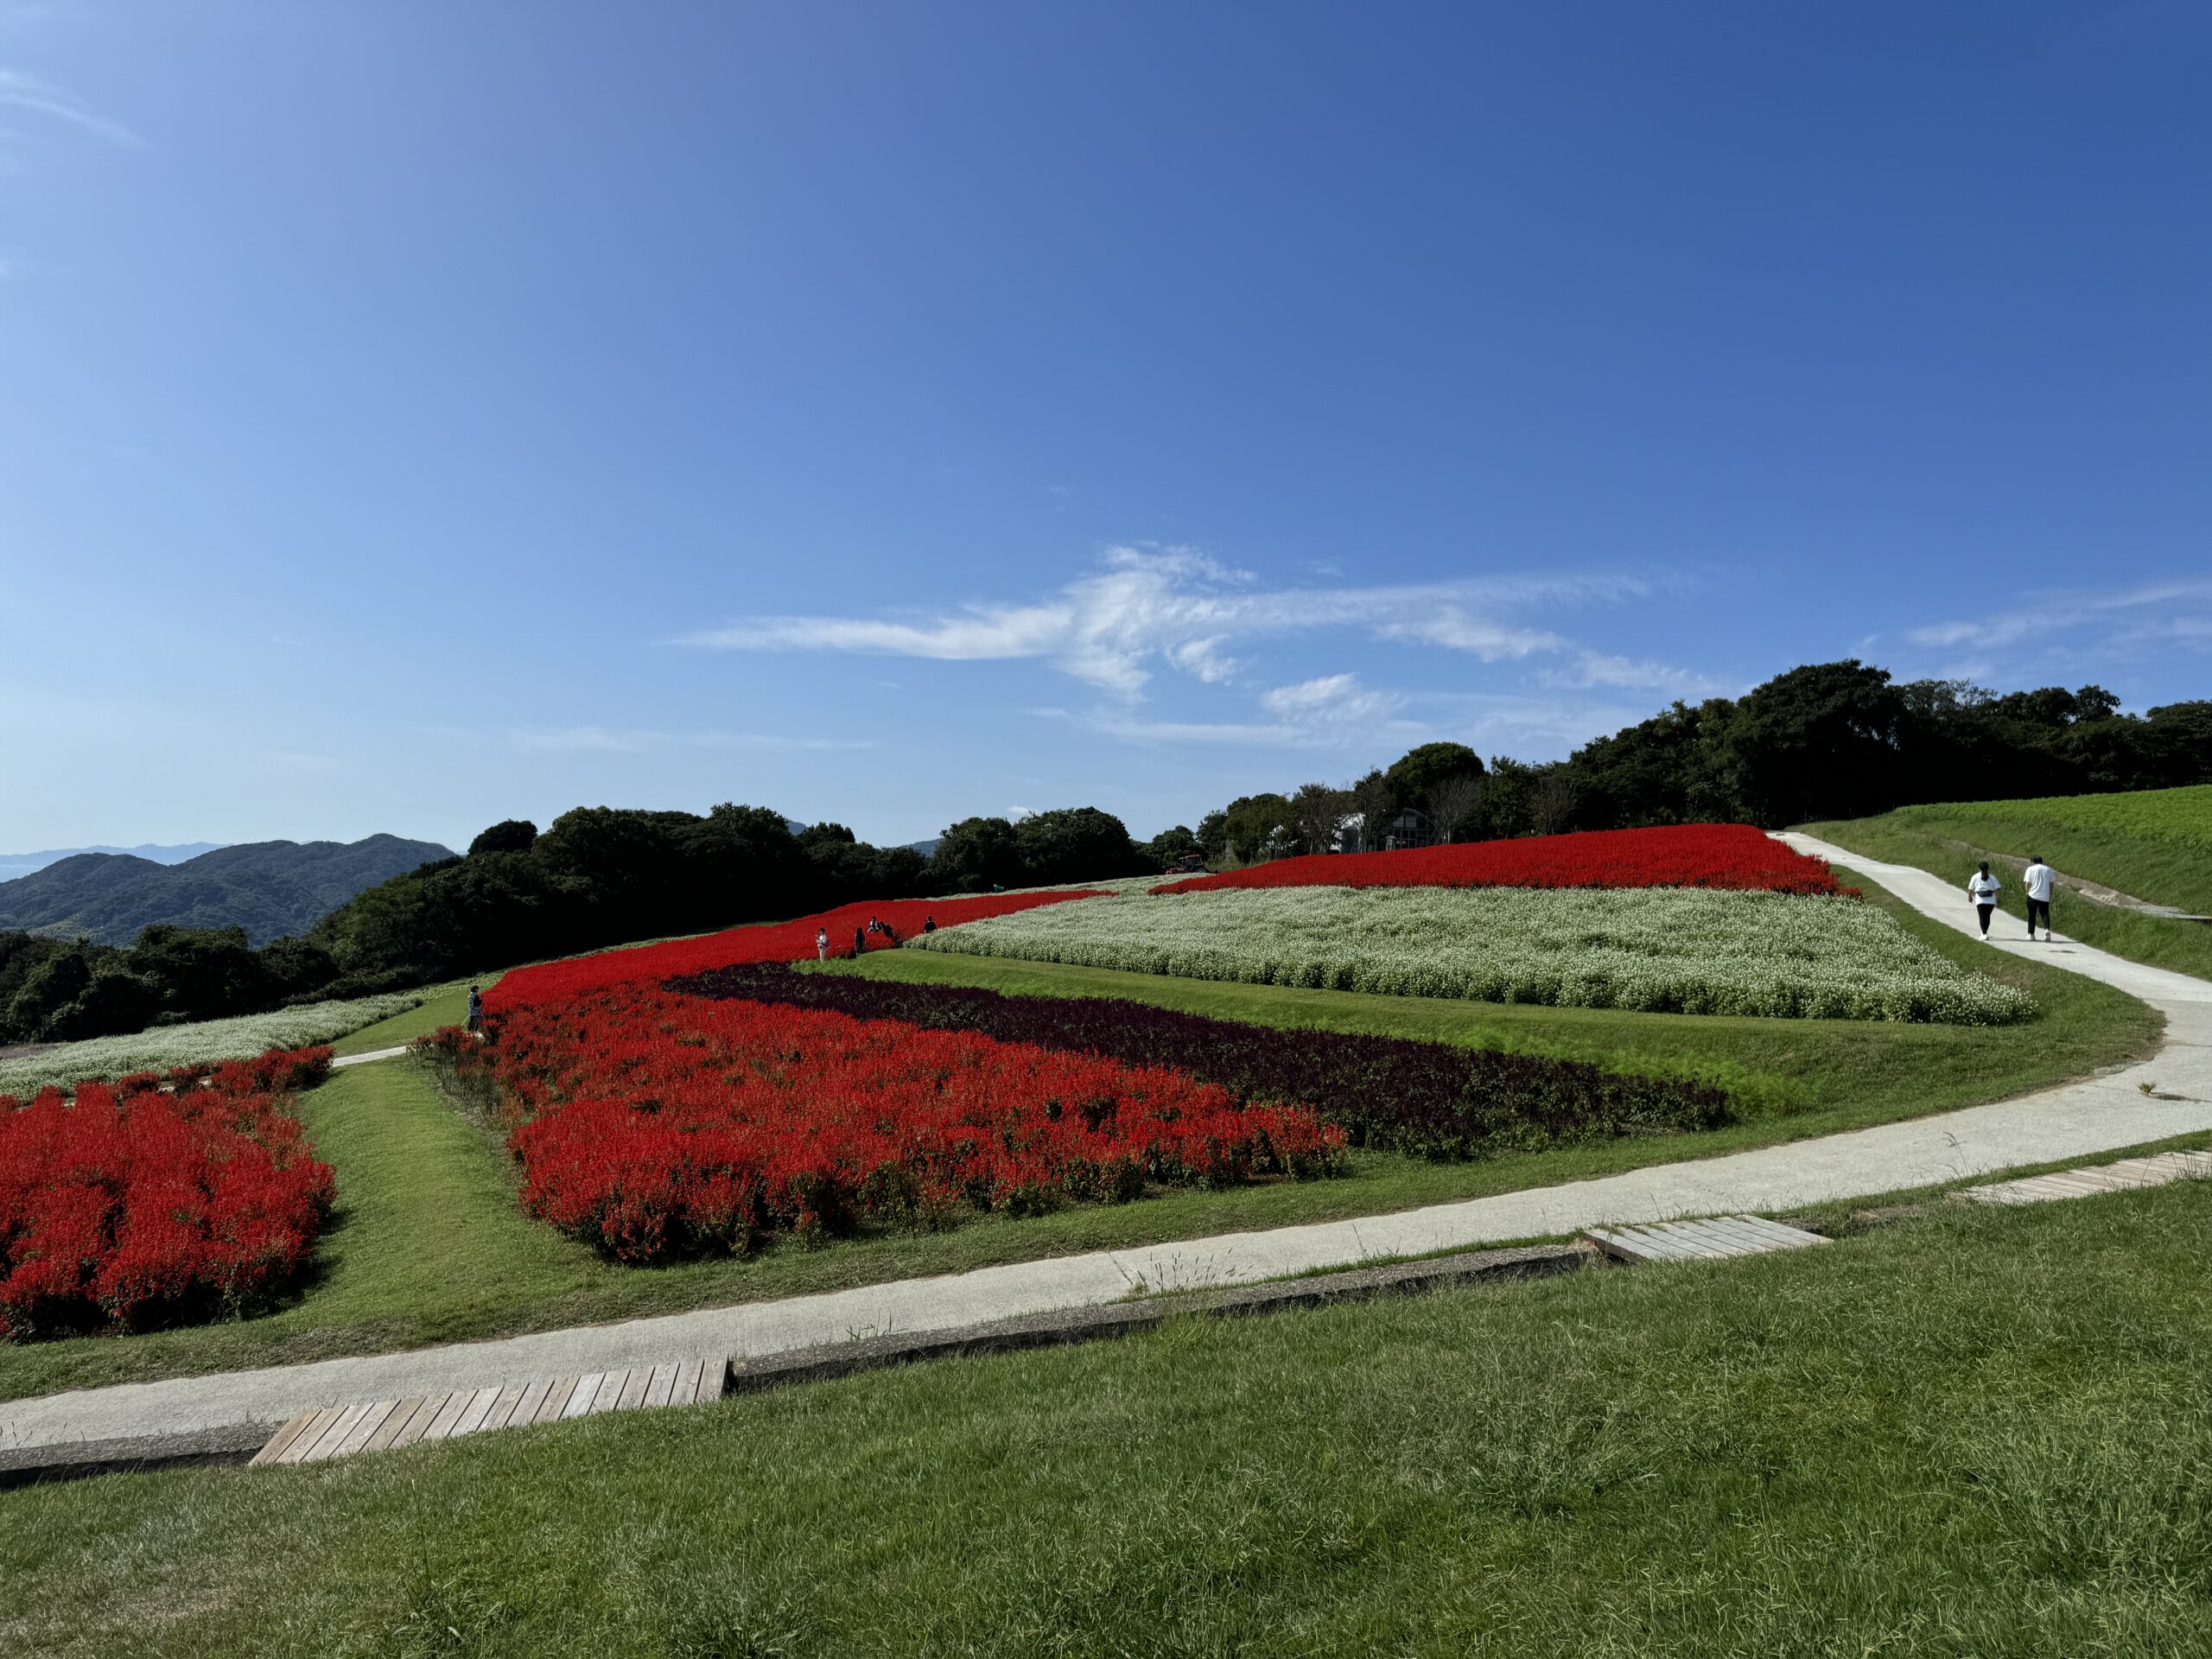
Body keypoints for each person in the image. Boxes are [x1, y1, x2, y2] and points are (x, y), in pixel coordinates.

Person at [2024, 854, 2056, 941]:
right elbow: (2051, 884)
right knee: (2045, 914)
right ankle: (2047, 930)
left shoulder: (2030, 869)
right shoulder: (2048, 870)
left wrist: (2027, 892)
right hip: (2045, 896)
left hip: (2033, 895)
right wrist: (2050, 895)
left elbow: (2028, 883)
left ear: (2033, 862)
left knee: (2032, 915)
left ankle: (2031, 934)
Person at [1967, 861, 2001, 939]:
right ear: (1988, 868)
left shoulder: (1975, 876)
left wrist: (1969, 896)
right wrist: (1998, 897)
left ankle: (1984, 933)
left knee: (1982, 917)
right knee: (1987, 916)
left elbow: (1970, 888)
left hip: (1980, 900)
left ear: (1979, 868)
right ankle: (1984, 932)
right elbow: (1997, 888)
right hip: (1991, 900)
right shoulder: (1992, 877)